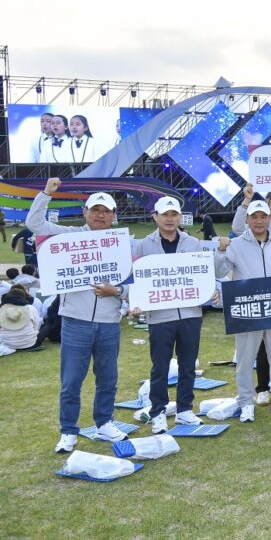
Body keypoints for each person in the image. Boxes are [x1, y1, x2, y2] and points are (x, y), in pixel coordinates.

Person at [28, 178, 130, 453]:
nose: (100, 215)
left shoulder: (122, 245)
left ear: (113, 216)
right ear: (85, 212)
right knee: (71, 380)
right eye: (95, 210)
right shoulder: (69, 237)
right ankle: (68, 430)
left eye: (106, 211)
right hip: (75, 321)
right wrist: (46, 194)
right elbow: (35, 224)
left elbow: (132, 287)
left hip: (109, 323)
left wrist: (117, 291)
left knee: (107, 378)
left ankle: (104, 423)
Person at [214, 200, 271, 422]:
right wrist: (221, 250)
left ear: (269, 219)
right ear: (247, 219)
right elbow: (220, 270)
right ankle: (246, 403)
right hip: (247, 311)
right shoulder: (236, 245)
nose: (259, 221)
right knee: (245, 359)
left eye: (263, 217)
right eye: (255, 217)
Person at [132, 196, 206, 434]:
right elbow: (137, 279)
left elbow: (202, 274)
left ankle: (185, 410)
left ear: (180, 217)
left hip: (190, 314)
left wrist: (212, 290)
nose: (169, 219)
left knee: (187, 365)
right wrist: (135, 302)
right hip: (160, 316)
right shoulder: (143, 245)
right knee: (160, 367)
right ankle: (158, 413)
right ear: (156, 217)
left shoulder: (194, 243)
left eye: (174, 214)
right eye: (165, 214)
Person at [0, 285, 42, 352]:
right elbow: (36, 325)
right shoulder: (30, 308)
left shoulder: (1, 309)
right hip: (29, 343)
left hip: (7, 343)